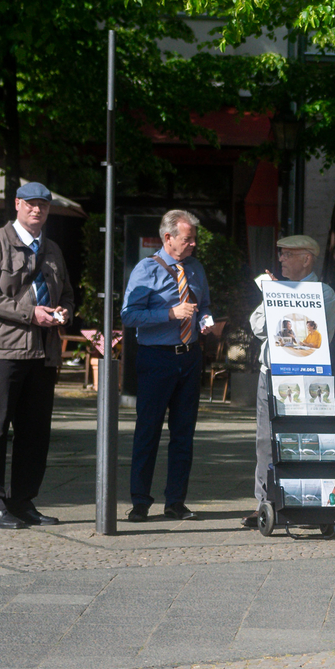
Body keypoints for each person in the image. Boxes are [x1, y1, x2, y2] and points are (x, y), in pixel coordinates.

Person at [0, 183, 76, 527]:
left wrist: (65, 312)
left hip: (43, 353)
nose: (37, 210)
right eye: (30, 204)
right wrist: (31, 314)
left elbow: (70, 294)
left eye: (43, 205)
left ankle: (23, 501)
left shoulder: (53, 249)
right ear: (17, 204)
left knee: (35, 431)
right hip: (6, 349)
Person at [120, 207, 217, 521]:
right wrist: (170, 314)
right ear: (168, 238)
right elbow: (129, 316)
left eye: (194, 240)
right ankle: (140, 501)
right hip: (157, 358)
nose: (193, 245)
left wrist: (205, 320)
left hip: (189, 357)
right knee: (148, 430)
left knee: (183, 434)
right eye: (188, 240)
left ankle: (176, 501)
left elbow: (203, 306)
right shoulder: (146, 270)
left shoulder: (196, 268)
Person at [242, 234, 335, 528]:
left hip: (305, 376)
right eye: (280, 254)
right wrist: (271, 295)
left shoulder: (323, 292)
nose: (280, 259)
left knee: (306, 438)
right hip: (270, 372)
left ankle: (305, 503)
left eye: (287, 254)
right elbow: (258, 327)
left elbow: (323, 337)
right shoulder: (275, 289)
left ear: (306, 259)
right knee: (265, 440)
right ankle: (265, 504)